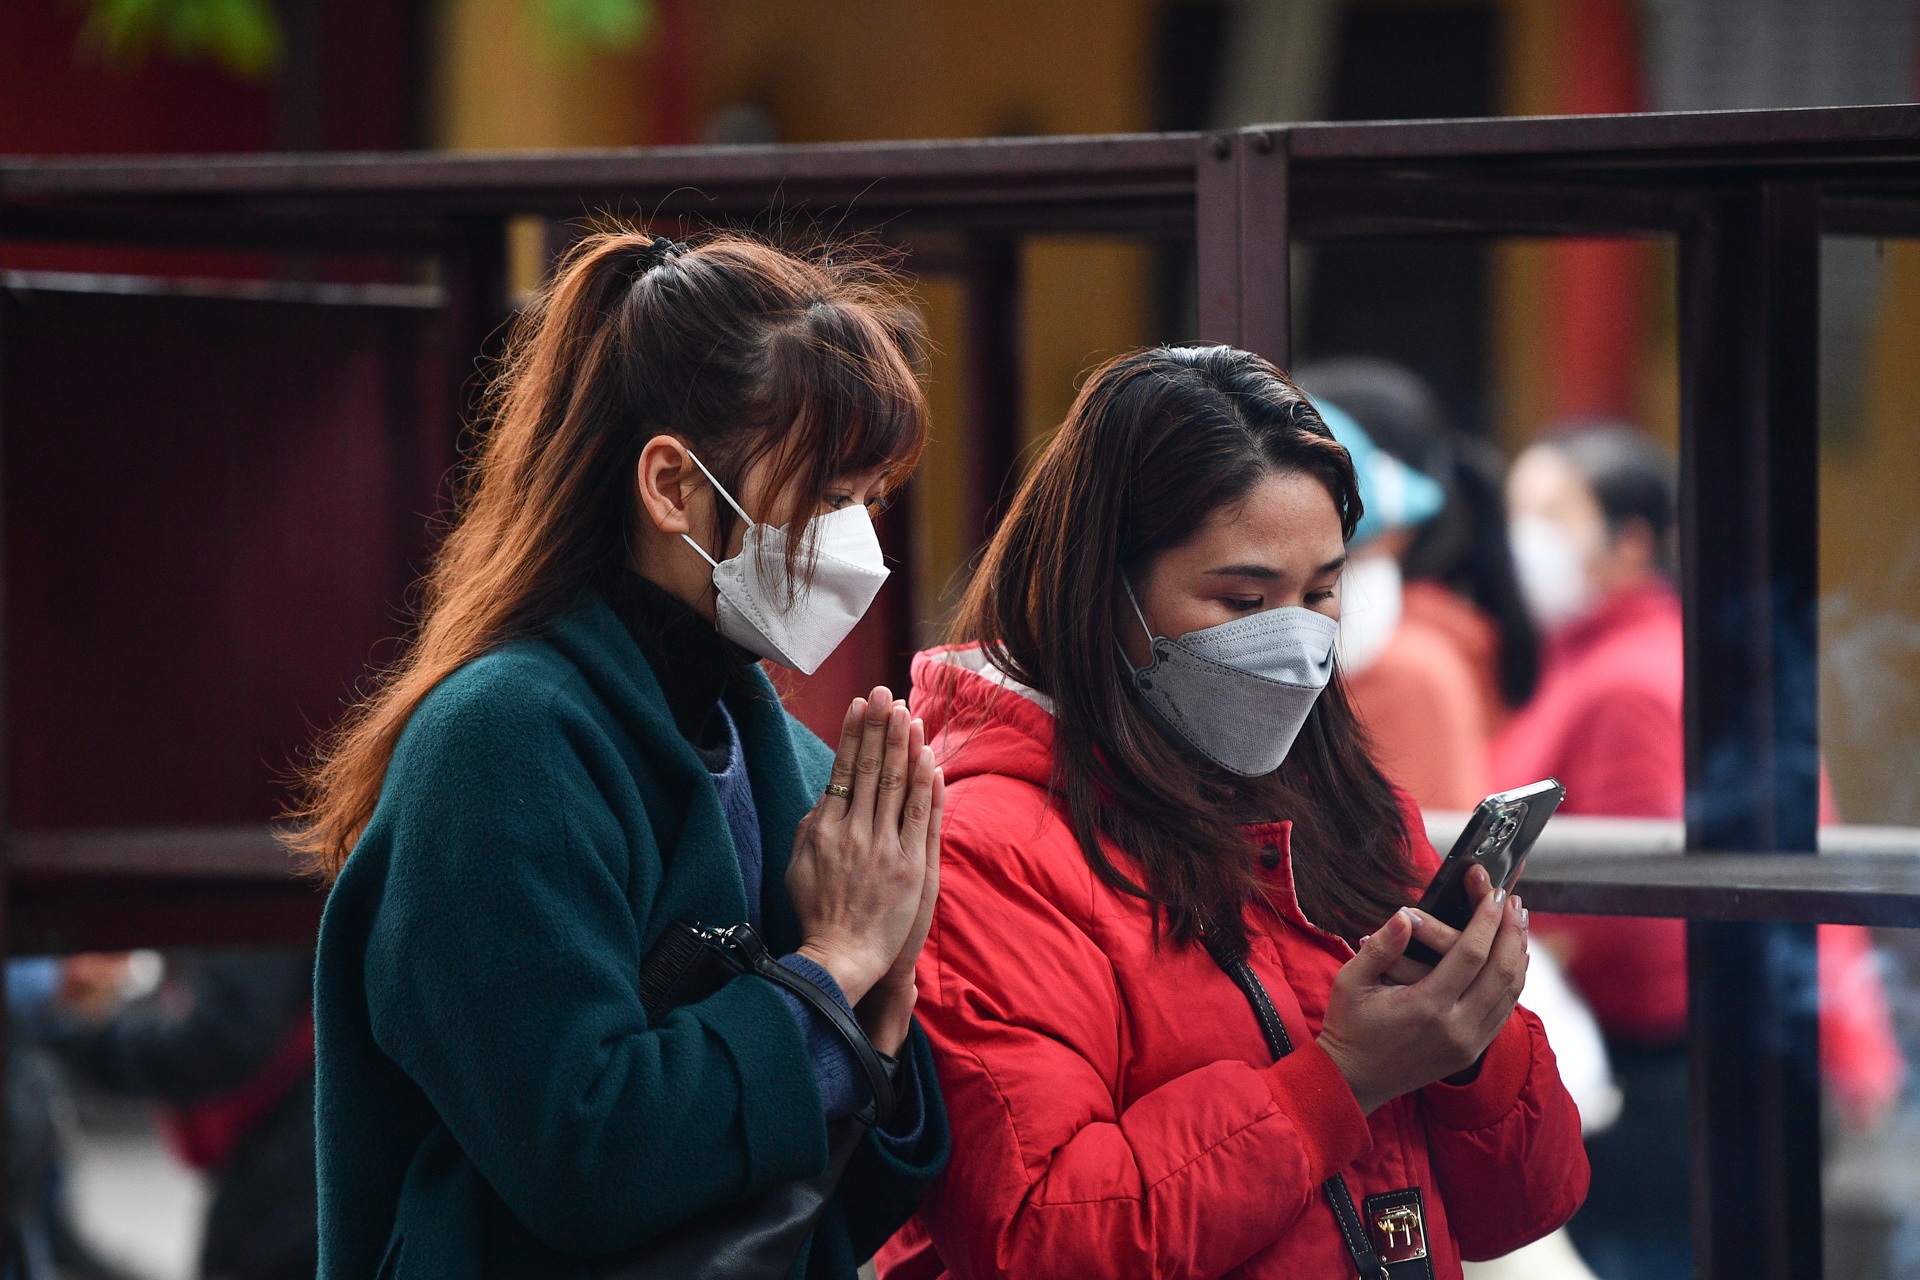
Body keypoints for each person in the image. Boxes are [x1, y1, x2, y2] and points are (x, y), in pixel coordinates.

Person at [292, 230, 950, 1280]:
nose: (860, 539)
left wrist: (883, 998)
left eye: (870, 495)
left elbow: (830, 1205)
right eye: (829, 495)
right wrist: (832, 973)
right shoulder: (498, 745)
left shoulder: (778, 747)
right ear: (673, 485)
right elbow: (581, 1154)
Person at [878, 346, 1587, 1280]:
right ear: (1103, 588)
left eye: (1321, 593)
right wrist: (1340, 1079)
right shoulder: (989, 850)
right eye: (1245, 599)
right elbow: (1037, 1238)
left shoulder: (1349, 810)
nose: (1296, 641)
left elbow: (1526, 1204)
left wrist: (1467, 1047)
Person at [1494, 423, 1903, 1280]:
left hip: (1668, 1072)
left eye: (1549, 514)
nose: (1521, 537)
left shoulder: (1626, 681)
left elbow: (1640, 920)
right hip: (1735, 1049)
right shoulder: (1653, 654)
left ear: (1630, 539)